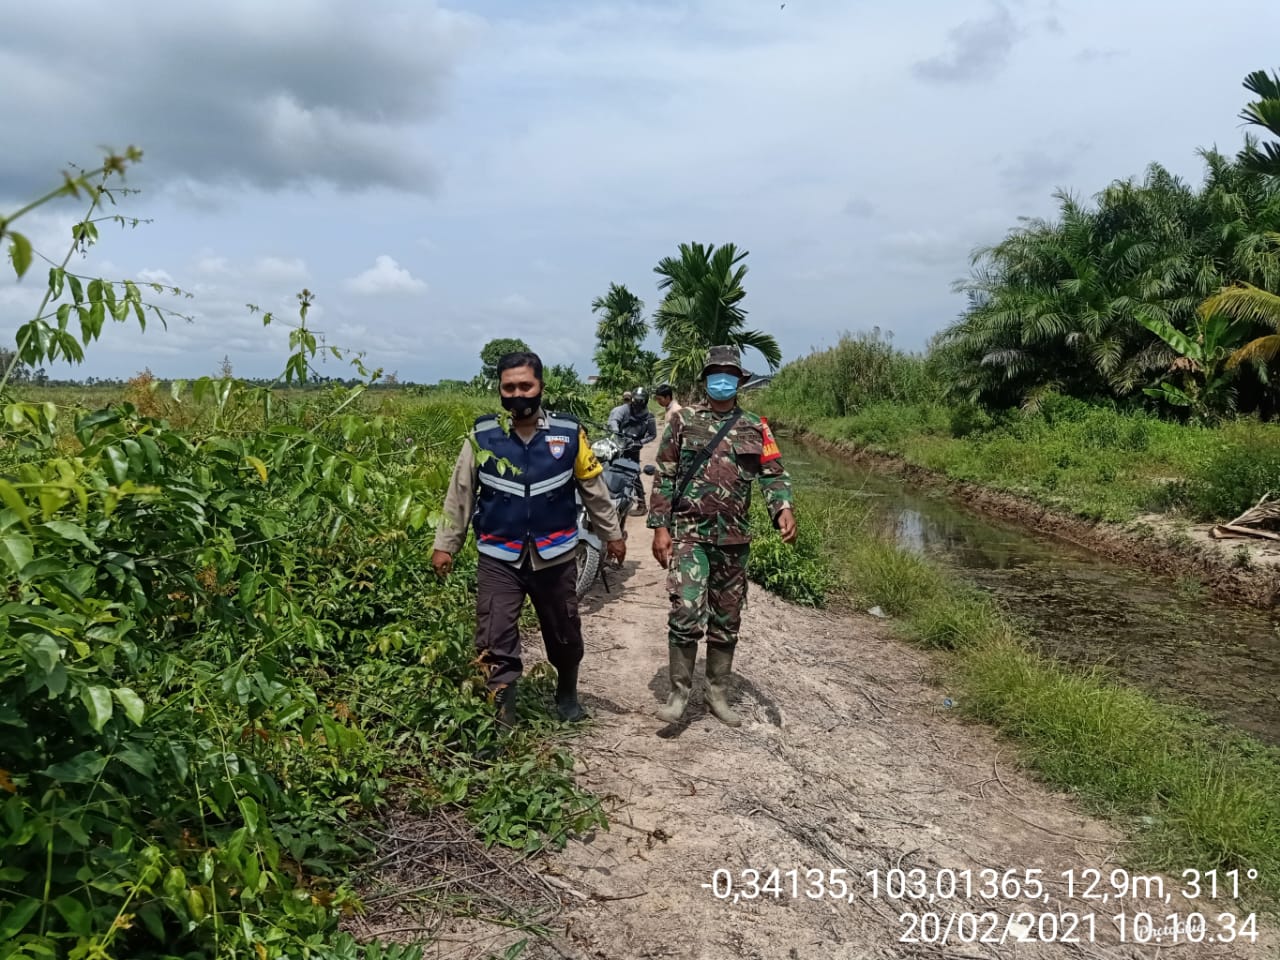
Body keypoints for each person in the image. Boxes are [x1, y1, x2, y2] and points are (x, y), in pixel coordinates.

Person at [432, 350, 626, 727]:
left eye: (526, 385)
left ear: (540, 386)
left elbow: (594, 489)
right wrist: (445, 544)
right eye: (509, 387)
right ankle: (502, 714)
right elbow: (460, 494)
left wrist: (612, 536)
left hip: (555, 558)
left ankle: (567, 694)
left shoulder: (569, 434)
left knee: (565, 633)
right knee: (494, 638)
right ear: (500, 390)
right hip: (498, 556)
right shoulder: (482, 436)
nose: (518, 393)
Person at [646, 345, 797, 727]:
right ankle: (678, 694)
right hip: (689, 535)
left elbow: (773, 473)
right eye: (716, 373)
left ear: (740, 380)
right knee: (685, 611)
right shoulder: (683, 422)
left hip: (734, 540)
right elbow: (664, 474)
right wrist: (660, 527)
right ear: (706, 379)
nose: (722, 379)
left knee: (727, 620)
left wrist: (782, 508)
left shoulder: (756, 427)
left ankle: (716, 693)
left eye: (729, 373)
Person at [606, 386, 658, 516]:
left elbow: (652, 435)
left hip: (634, 447)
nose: (638, 404)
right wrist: (617, 432)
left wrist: (640, 442)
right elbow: (614, 421)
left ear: (645, 401)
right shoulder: (624, 409)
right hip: (618, 444)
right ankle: (607, 500)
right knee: (609, 468)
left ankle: (641, 505)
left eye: (641, 401)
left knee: (633, 475)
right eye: (636, 401)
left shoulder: (648, 416)